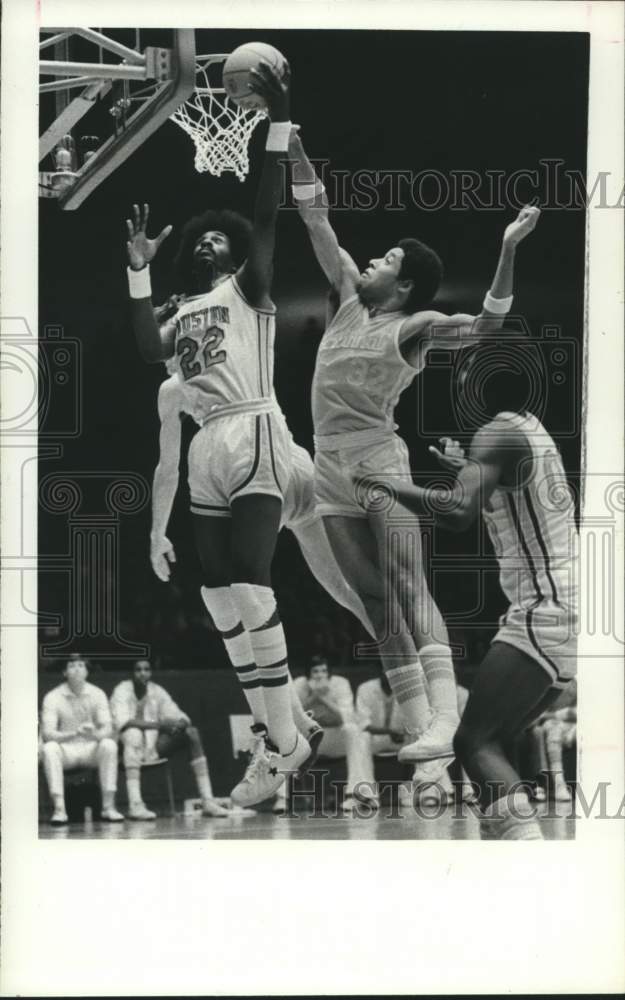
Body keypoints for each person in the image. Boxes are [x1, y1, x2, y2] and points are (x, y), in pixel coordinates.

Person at [287, 129, 541, 780]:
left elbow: (488, 328)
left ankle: (446, 717)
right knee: (371, 600)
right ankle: (420, 725)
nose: (370, 260)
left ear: (402, 287)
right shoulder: (346, 296)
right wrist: (290, 144)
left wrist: (507, 248)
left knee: (406, 584)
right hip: (327, 470)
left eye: (385, 259)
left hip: (378, 464)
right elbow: (314, 216)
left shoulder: (413, 328)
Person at [125, 60, 311, 806]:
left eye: (215, 241)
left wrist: (280, 122)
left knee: (248, 578)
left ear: (233, 255)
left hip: (254, 426)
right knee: (215, 597)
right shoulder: (180, 315)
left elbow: (266, 215)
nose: (205, 244)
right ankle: (284, 732)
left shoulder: (249, 289)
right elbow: (145, 350)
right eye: (195, 242)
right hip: (206, 443)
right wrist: (137, 274)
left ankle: (285, 740)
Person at [356, 343, 578, 839]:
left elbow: (458, 513)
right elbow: (499, 497)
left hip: (547, 607)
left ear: (473, 385)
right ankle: (519, 853)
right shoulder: (525, 429)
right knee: (496, 738)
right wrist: (470, 472)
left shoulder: (494, 434)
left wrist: (389, 484)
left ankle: (530, 865)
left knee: (474, 740)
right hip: (569, 605)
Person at [110, 659, 229, 820]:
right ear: (132, 673)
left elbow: (181, 716)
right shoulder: (122, 690)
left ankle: (207, 800)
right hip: (125, 750)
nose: (142, 673)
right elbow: (123, 722)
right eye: (138, 669)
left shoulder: (157, 691)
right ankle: (135, 805)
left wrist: (179, 724)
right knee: (133, 733)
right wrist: (160, 725)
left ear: (150, 672)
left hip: (152, 748)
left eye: (146, 669)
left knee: (191, 733)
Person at [40, 654, 124, 825]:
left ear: (86, 671)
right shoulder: (52, 697)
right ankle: (59, 809)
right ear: (64, 672)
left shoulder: (97, 693)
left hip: (90, 748)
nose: (77, 669)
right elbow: (48, 733)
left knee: (109, 745)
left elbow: (107, 727)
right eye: (72, 666)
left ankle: (109, 807)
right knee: (49, 749)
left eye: (81, 665)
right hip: (67, 750)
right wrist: (73, 734)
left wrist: (94, 735)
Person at [293, 657, 378, 811]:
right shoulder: (298, 684)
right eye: (315, 671)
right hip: (310, 742)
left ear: (329, 674)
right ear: (308, 674)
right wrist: (313, 696)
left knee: (355, 731)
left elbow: (344, 718)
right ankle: (281, 800)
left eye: (324, 671)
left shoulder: (341, 683)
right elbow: (295, 719)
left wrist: (323, 698)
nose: (320, 675)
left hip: (335, 738)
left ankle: (356, 795)